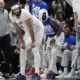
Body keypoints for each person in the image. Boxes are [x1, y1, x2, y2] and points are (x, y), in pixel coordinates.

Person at [9, 4, 44, 80]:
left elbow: (31, 27)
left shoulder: (25, 13)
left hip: (38, 30)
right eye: (15, 10)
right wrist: (22, 42)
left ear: (20, 9)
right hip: (28, 32)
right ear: (12, 11)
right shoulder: (11, 16)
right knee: (22, 50)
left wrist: (33, 41)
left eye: (17, 9)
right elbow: (18, 30)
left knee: (35, 49)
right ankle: (22, 74)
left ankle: (37, 73)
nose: (16, 11)